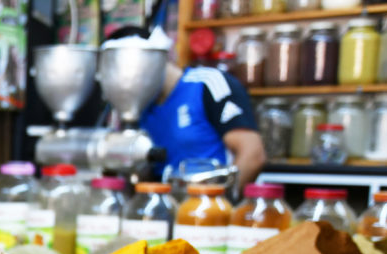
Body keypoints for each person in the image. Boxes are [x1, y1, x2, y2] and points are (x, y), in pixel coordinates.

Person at [105, 27, 267, 189]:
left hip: (206, 202)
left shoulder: (206, 84)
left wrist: (218, 204)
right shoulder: (136, 105)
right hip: (159, 204)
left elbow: (252, 156)